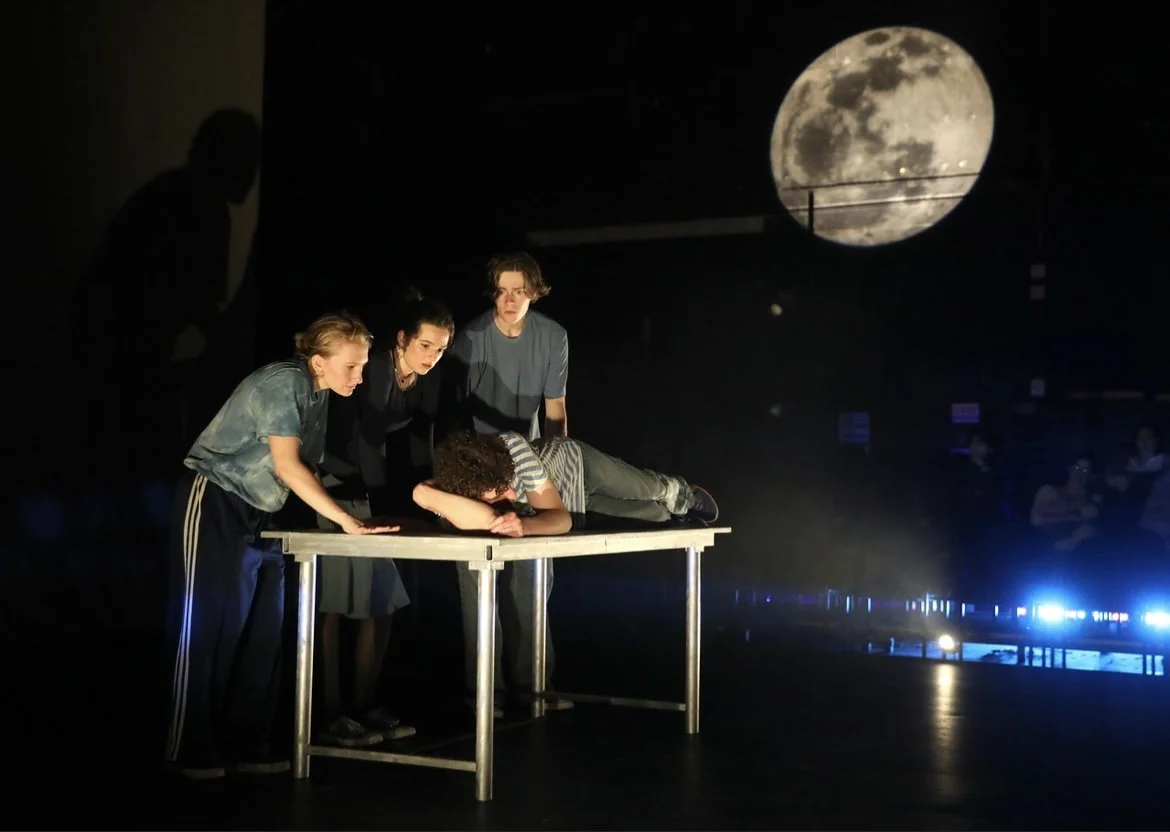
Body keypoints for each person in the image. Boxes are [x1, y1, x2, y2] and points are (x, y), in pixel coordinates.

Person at [164, 312, 399, 780]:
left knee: (265, 628)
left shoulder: (319, 393)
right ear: (318, 361)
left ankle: (247, 740)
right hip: (217, 500)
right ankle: (190, 744)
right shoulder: (284, 381)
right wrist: (346, 520)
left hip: (264, 510)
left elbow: (304, 469)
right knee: (209, 627)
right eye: (350, 366)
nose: (358, 376)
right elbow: (289, 465)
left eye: (362, 366)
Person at [413, 430, 718, 713]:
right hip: (565, 509)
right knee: (650, 513)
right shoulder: (457, 487)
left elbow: (560, 519)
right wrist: (426, 494)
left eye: (507, 483)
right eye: (497, 492)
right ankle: (507, 692)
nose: (508, 491)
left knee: (645, 489)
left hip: (574, 468)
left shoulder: (514, 449)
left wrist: (525, 525)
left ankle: (682, 493)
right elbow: (422, 493)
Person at [313, 291, 454, 748]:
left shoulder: (428, 378)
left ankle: (364, 703)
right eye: (425, 345)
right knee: (334, 604)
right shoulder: (373, 369)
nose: (432, 356)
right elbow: (363, 437)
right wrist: (391, 500)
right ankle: (330, 712)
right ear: (402, 340)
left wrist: (435, 496)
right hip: (338, 485)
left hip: (375, 492)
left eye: (440, 348)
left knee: (381, 602)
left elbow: (421, 440)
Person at [441, 251, 570, 715]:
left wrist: (556, 470)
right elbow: (453, 418)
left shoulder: (553, 336)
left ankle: (535, 684)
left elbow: (554, 411)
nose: (511, 299)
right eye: (503, 290)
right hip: (475, 468)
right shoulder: (471, 338)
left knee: (534, 580)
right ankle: (485, 691)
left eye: (520, 290)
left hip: (530, 465)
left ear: (534, 291)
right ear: (492, 291)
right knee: (480, 582)